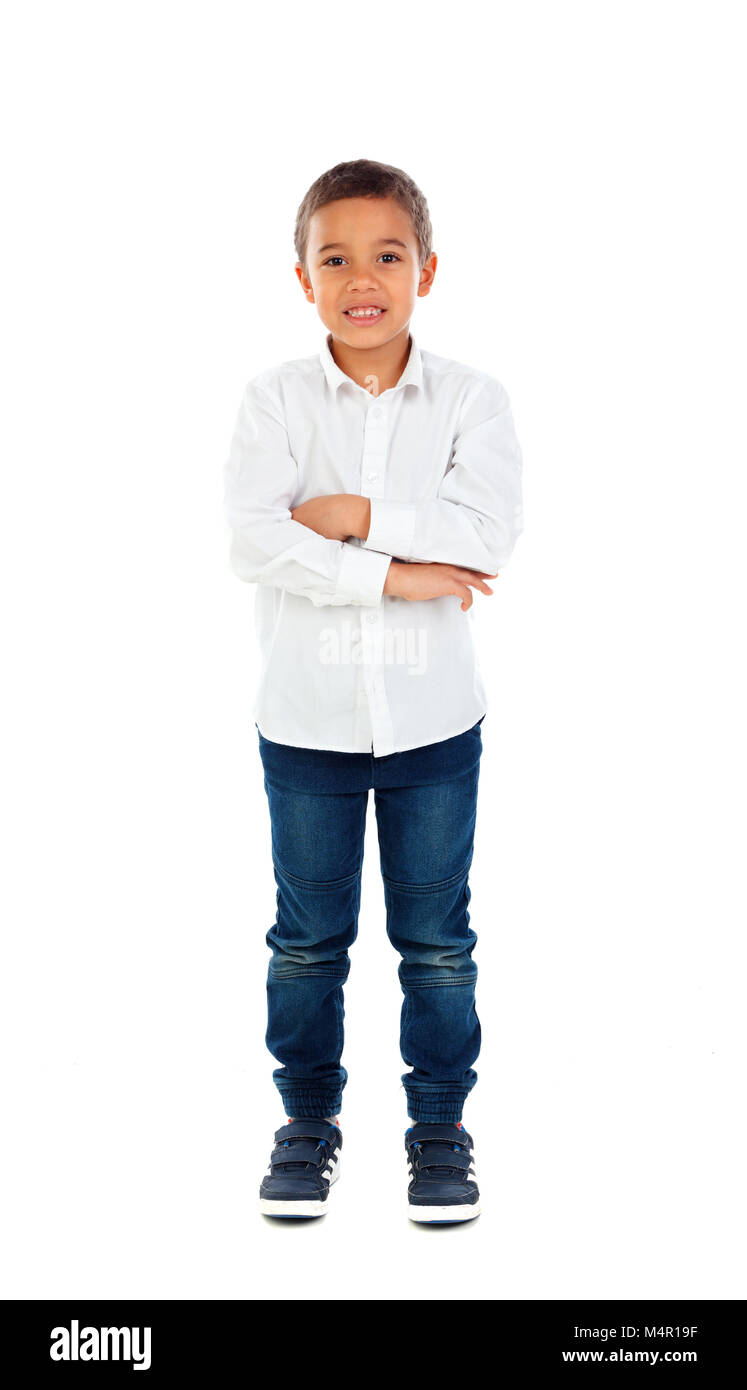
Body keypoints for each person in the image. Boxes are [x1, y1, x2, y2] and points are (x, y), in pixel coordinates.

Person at [222, 158, 524, 1222]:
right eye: (334, 257)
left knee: (438, 942)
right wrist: (400, 569)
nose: (362, 277)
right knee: (307, 940)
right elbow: (255, 542)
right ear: (302, 278)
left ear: (426, 270)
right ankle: (307, 1119)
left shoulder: (472, 400)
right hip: (307, 722)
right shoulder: (274, 402)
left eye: (386, 255)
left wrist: (353, 512)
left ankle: (439, 1128)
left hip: (435, 722)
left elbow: (487, 535)